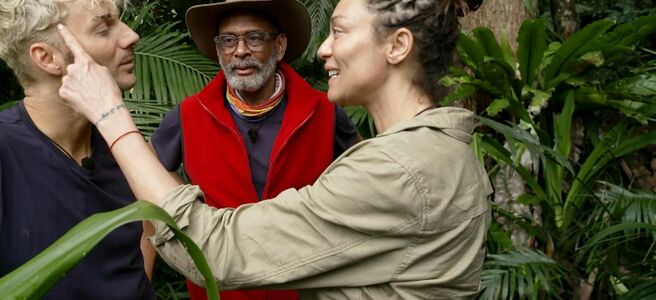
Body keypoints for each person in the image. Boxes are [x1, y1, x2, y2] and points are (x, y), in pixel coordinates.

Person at [57, 0, 490, 298]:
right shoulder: (432, 154)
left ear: (397, 46)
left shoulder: (393, 167)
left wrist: (110, 113)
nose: (323, 49)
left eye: (338, 31)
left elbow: (217, 249)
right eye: (228, 41)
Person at [0, 0, 155, 299]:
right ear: (47, 57)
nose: (131, 36)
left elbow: (148, 228)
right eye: (104, 28)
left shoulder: (124, 146)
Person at [149, 0, 358, 298]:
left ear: (280, 45)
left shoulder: (324, 113)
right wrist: (185, 208)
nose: (241, 51)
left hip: (304, 289)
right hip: (219, 290)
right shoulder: (189, 115)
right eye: (228, 40)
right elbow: (145, 172)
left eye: (255, 38)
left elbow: (363, 174)